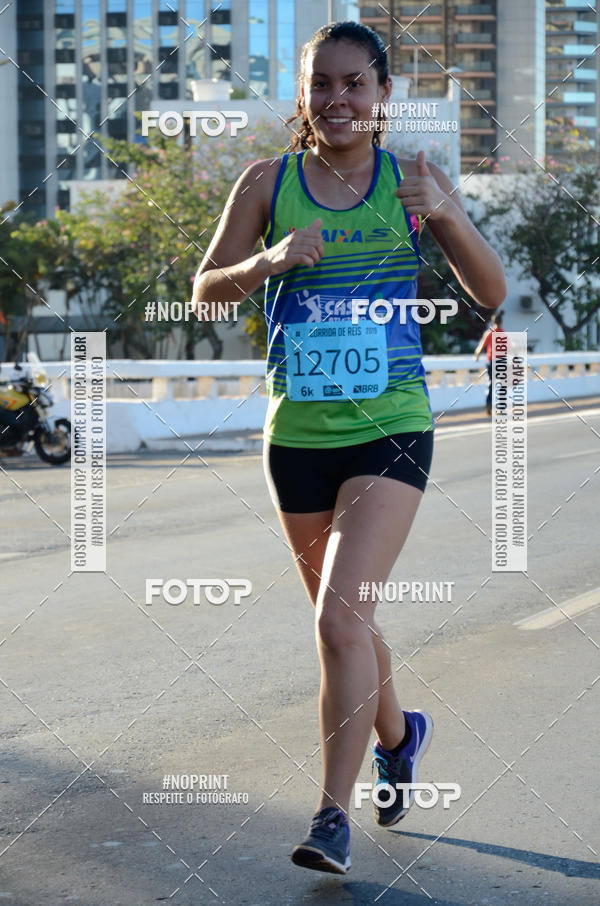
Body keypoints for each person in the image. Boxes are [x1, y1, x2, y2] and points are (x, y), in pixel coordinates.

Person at [192, 21, 506, 875]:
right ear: (304, 95)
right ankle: (401, 737)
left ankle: (332, 816)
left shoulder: (414, 182)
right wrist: (267, 261)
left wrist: (444, 214)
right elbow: (205, 294)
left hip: (391, 428)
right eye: (321, 84)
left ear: (381, 96)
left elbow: (491, 288)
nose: (338, 99)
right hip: (297, 438)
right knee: (348, 626)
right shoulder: (266, 181)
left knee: (337, 619)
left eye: (354, 84)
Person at [474, 310, 505, 416]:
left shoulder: (489, 333)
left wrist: (477, 356)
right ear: (501, 322)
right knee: (502, 385)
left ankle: (489, 404)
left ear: (493, 322)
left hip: (491, 361)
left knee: (491, 384)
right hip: (501, 361)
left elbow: (481, 347)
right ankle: (501, 408)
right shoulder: (503, 333)